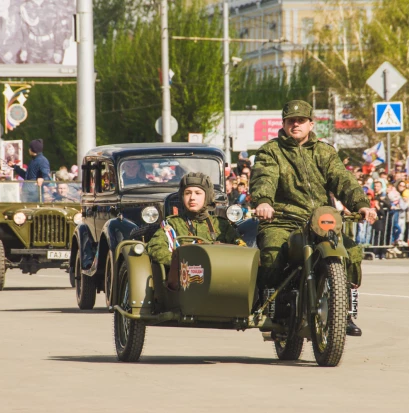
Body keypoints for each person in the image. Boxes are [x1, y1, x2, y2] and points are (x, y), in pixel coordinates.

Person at [249, 100, 377, 337]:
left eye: (300, 120)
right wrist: (264, 201)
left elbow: (342, 179)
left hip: (320, 221)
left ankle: (344, 313)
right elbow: (264, 177)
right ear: (284, 123)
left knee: (350, 251)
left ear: (310, 124)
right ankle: (272, 307)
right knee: (272, 252)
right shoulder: (271, 151)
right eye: (290, 120)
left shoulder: (325, 151)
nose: (295, 124)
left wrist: (361, 206)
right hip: (283, 219)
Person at [146, 172, 246, 290]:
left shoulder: (221, 225)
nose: (192, 197)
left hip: (220, 284)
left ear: (207, 196)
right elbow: (155, 247)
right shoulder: (173, 224)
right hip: (184, 288)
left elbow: (241, 249)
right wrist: (178, 262)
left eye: (198, 193)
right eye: (187, 193)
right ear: (182, 197)